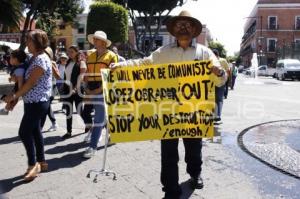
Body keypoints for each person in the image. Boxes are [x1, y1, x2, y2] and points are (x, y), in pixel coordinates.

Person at [113, 11, 227, 199]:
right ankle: (170, 189)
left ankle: (195, 174)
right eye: (179, 25)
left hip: (194, 113)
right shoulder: (163, 52)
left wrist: (220, 73)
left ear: (194, 30)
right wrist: (122, 66)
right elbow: (144, 63)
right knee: (168, 154)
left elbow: (219, 81)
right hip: (168, 112)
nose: (183, 28)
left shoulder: (205, 52)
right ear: (173, 30)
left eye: (187, 25)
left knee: (194, 150)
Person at [4, 29, 52, 181]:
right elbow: (22, 81)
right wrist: (16, 100)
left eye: (29, 41)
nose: (27, 43)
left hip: (39, 102)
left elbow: (31, 83)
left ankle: (33, 165)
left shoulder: (42, 59)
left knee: (24, 132)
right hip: (31, 102)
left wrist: (14, 96)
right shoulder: (33, 58)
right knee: (35, 131)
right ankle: (42, 161)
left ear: (37, 42)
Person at [82, 31, 118, 158]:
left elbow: (112, 76)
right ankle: (113, 134)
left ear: (103, 42)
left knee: (98, 118)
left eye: (96, 39)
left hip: (104, 90)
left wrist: (97, 91)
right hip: (91, 89)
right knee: (102, 116)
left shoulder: (112, 56)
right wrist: (85, 87)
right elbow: (86, 73)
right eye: (94, 39)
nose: (94, 41)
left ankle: (92, 146)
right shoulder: (90, 56)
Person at [61, 45, 87, 139]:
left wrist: (75, 89)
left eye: (72, 52)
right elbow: (66, 76)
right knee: (68, 111)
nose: (69, 53)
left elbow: (81, 77)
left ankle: (88, 124)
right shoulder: (68, 62)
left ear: (77, 52)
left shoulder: (81, 63)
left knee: (79, 110)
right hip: (68, 89)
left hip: (78, 90)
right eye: (69, 52)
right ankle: (68, 132)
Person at [0, 49, 27, 115]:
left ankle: (6, 108)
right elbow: (17, 78)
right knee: (14, 98)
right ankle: (7, 108)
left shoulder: (19, 69)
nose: (9, 59)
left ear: (16, 59)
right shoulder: (21, 66)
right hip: (18, 86)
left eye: (11, 58)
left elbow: (19, 80)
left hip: (18, 87)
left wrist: (20, 91)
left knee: (11, 98)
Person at [41, 47, 60, 131]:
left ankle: (40, 127)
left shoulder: (52, 63)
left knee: (46, 107)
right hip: (44, 88)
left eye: (45, 53)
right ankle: (54, 123)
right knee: (47, 107)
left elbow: (58, 76)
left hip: (52, 87)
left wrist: (51, 66)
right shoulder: (40, 61)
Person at [212, 49, 229, 124]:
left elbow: (228, 71)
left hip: (221, 84)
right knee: (213, 100)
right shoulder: (209, 61)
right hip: (211, 84)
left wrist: (226, 80)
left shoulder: (223, 61)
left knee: (219, 99)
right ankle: (214, 115)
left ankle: (218, 116)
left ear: (218, 55)